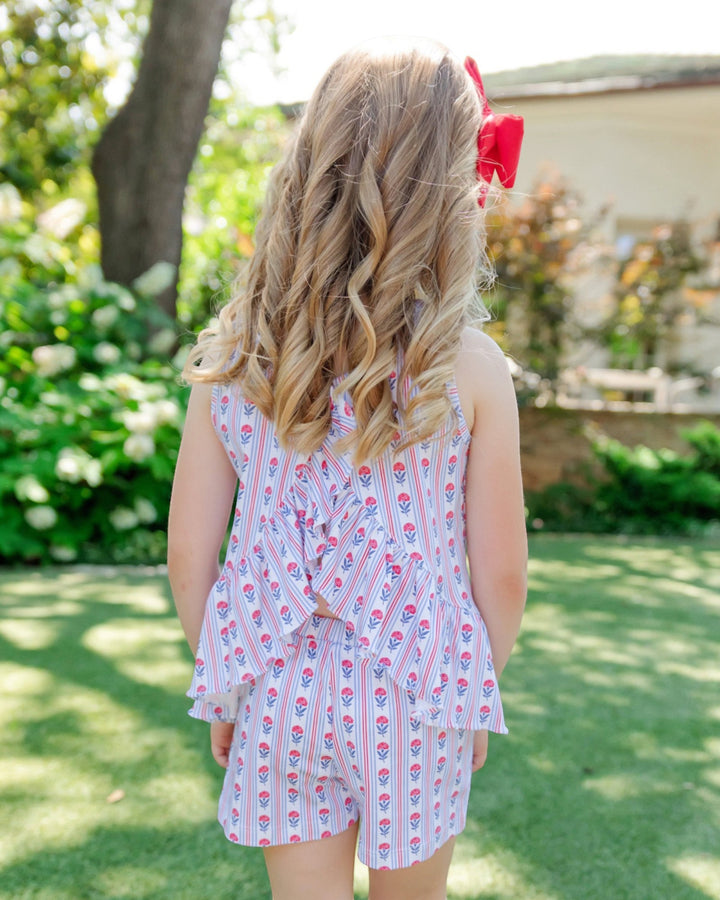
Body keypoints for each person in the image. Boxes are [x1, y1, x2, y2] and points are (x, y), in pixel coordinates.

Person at [168, 39, 527, 900]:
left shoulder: (234, 358)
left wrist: (225, 683)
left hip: (278, 684)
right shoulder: (467, 367)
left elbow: (190, 557)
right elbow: (504, 574)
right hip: (415, 690)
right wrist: (471, 688)